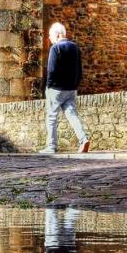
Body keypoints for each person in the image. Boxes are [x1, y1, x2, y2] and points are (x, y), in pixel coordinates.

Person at [40, 22, 90, 154]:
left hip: (56, 88)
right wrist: (75, 84)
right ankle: (83, 139)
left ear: (56, 35)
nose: (50, 39)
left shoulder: (55, 48)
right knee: (72, 115)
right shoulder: (75, 47)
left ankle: (51, 146)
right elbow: (79, 69)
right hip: (71, 88)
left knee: (51, 117)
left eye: (50, 36)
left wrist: (48, 86)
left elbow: (51, 70)